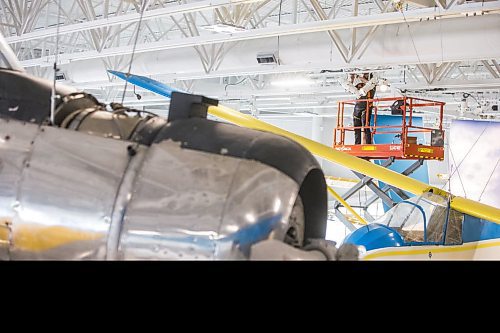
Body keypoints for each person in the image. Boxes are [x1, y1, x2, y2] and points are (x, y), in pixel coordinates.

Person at [352, 73, 376, 144]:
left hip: (366, 108)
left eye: (366, 75)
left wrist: (360, 77)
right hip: (357, 108)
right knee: (356, 128)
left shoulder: (372, 85)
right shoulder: (360, 85)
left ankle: (368, 143)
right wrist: (353, 77)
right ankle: (357, 144)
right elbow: (352, 87)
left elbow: (369, 83)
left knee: (366, 127)